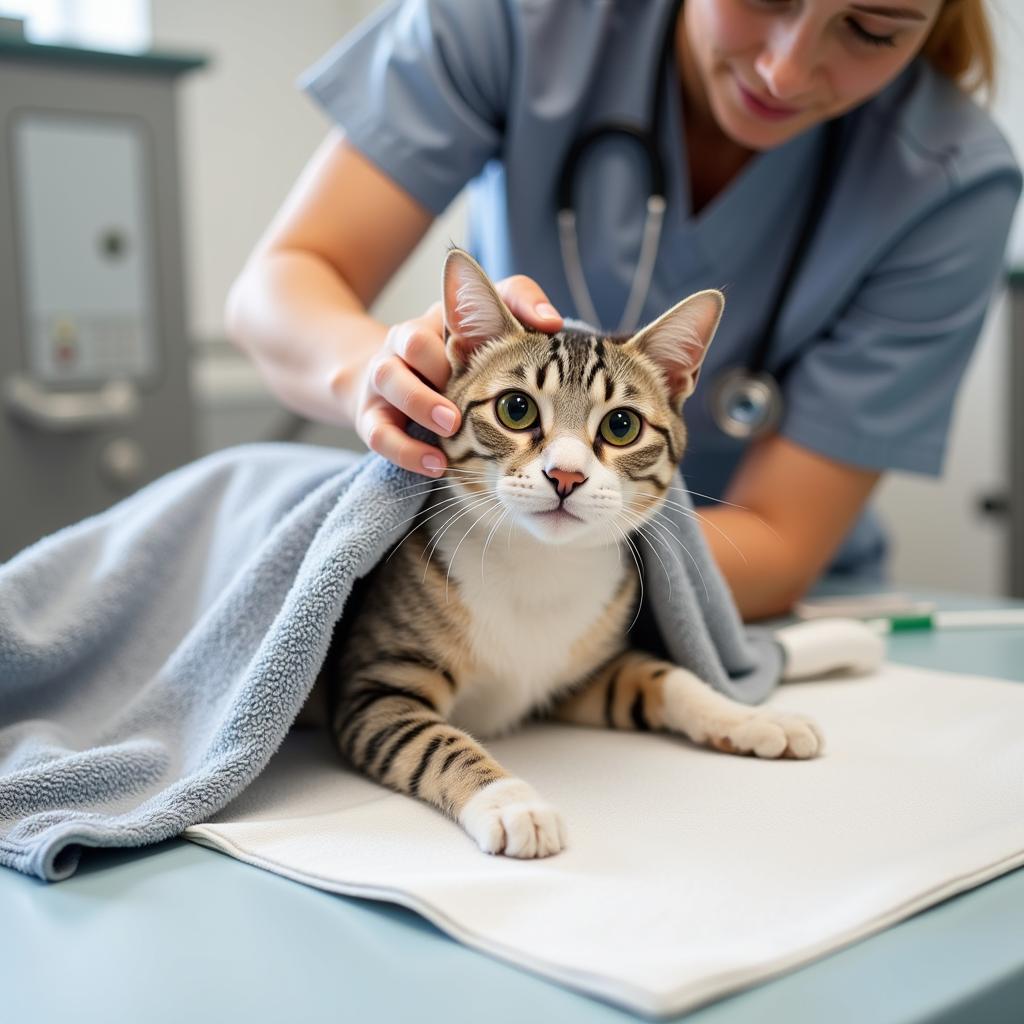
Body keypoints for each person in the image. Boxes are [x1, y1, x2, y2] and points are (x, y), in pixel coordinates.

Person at [225, 0, 1021, 620]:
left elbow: (779, 540)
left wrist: (549, 580)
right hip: (484, 557)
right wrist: (371, 373)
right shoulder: (523, 20)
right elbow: (285, 281)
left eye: (873, 30)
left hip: (729, 597)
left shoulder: (951, 180)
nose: (785, 70)